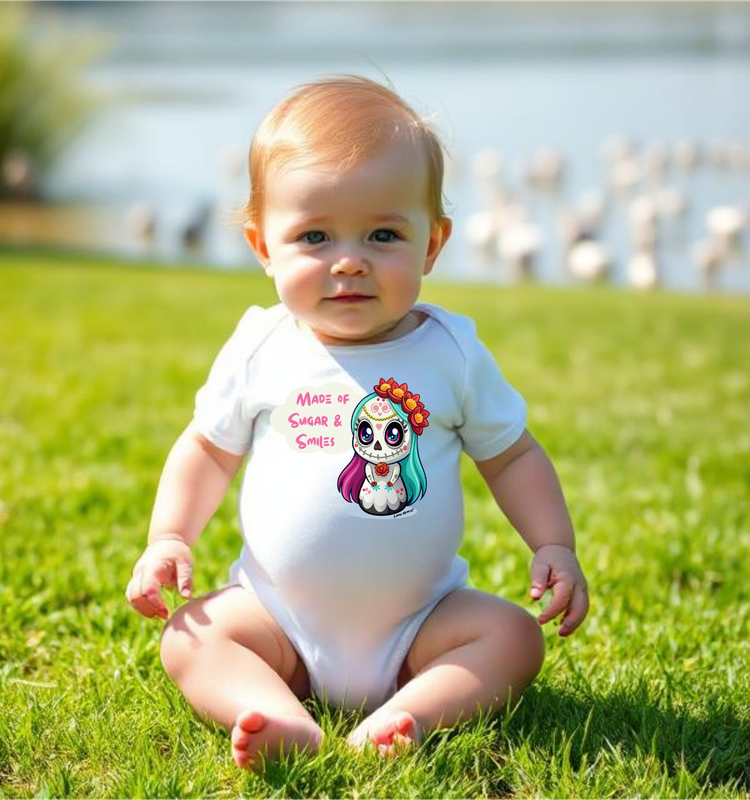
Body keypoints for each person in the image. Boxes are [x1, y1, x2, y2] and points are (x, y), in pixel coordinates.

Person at [125, 75, 589, 770]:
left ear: (432, 245)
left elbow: (513, 455)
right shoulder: (262, 346)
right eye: (314, 235)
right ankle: (282, 715)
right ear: (263, 246)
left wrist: (553, 543)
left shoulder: (451, 352)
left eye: (383, 234)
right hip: (276, 619)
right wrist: (169, 535)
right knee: (192, 634)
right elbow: (207, 450)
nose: (349, 260)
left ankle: (411, 712)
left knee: (514, 636)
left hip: (421, 625)